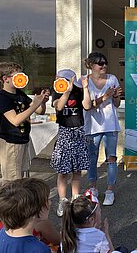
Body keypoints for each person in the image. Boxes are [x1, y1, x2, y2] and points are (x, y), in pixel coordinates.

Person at [0, 62, 50, 184]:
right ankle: (8, 203)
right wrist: (35, 104)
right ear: (6, 79)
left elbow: (40, 111)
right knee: (11, 182)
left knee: (19, 178)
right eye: (17, 76)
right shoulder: (2, 97)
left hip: (22, 140)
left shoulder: (20, 94)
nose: (21, 78)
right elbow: (15, 120)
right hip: (10, 143)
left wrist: (42, 101)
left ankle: (18, 202)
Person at [50, 69, 91, 217]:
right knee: (62, 171)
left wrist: (85, 88)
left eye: (62, 79)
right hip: (64, 134)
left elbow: (87, 106)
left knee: (77, 170)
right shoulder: (57, 92)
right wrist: (65, 92)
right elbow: (59, 106)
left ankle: (75, 198)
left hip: (78, 133)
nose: (58, 81)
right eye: (57, 79)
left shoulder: (79, 91)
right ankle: (62, 200)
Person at [82, 51, 122, 206]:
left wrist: (116, 96)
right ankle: (93, 188)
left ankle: (110, 190)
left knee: (111, 158)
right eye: (100, 63)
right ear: (91, 66)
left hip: (110, 124)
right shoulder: (84, 81)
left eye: (105, 63)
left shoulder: (112, 78)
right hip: (92, 126)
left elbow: (117, 104)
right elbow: (86, 107)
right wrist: (105, 97)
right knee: (92, 159)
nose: (104, 65)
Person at [0, 178, 51, 253]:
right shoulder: (39, 249)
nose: (50, 202)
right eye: (47, 200)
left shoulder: (1, 233)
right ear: (39, 210)